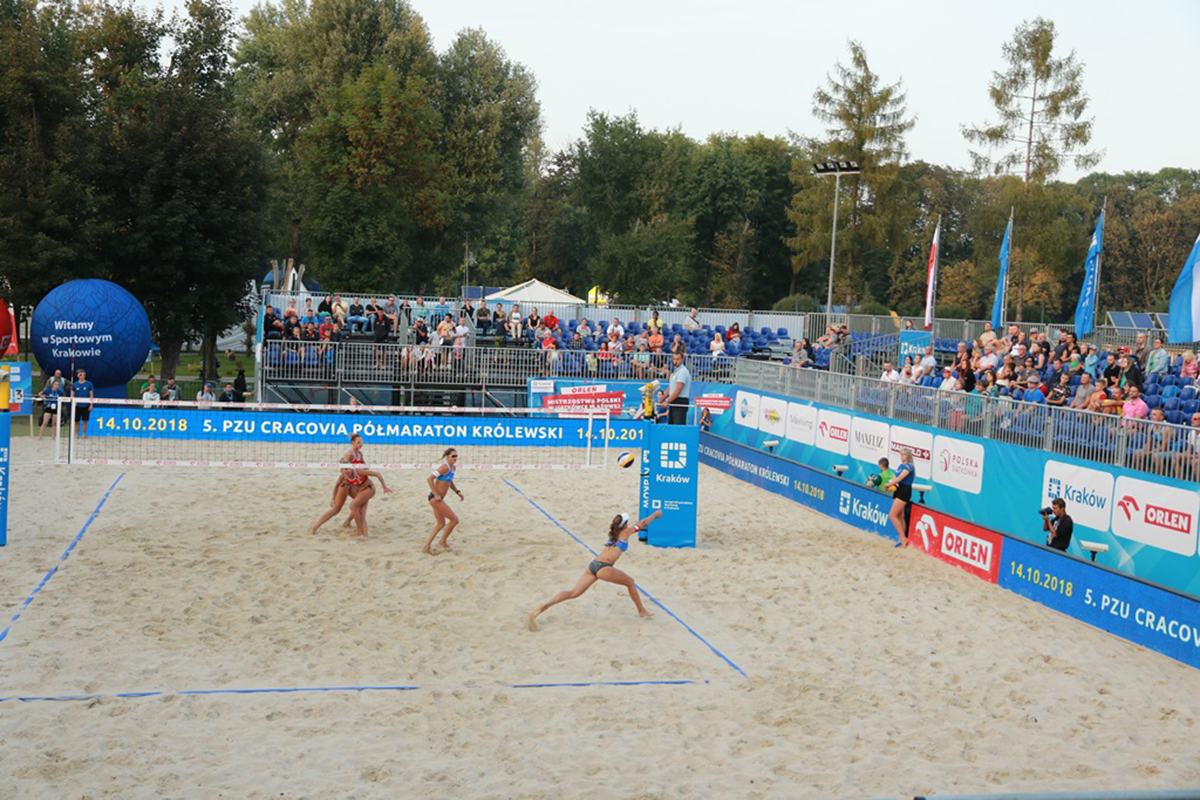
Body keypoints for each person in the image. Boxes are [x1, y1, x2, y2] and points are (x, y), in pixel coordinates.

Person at [526, 510, 662, 631]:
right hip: (604, 568)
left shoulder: (614, 535)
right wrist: (654, 515)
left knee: (574, 593)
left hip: (593, 565)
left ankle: (546, 605)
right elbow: (642, 523)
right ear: (625, 525)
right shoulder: (624, 533)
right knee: (630, 582)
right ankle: (642, 611)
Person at [424, 447, 464, 554]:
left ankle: (426, 547)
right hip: (435, 499)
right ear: (447, 457)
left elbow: (449, 481)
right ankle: (442, 541)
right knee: (454, 520)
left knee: (440, 524)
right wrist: (436, 494)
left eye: (456, 456)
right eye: (453, 456)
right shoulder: (444, 467)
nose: (455, 458)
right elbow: (429, 479)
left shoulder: (453, 468)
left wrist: (457, 492)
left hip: (439, 498)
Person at [882, 448, 915, 547]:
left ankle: (903, 538)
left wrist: (889, 484)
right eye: (901, 454)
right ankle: (902, 540)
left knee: (892, 515)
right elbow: (894, 478)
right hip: (899, 490)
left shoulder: (910, 466)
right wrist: (889, 486)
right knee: (900, 516)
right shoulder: (900, 466)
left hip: (904, 491)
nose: (902, 456)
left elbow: (900, 478)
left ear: (908, 456)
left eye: (904, 454)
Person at [664, 350, 691, 425]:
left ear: (682, 360)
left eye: (678, 359)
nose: (675, 361)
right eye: (674, 359)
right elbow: (671, 387)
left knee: (678, 426)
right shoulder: (675, 371)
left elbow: (679, 389)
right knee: (672, 425)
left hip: (680, 401)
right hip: (674, 401)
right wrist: (662, 399)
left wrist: (667, 401)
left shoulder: (683, 371)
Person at [71, 369, 95, 438]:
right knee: (76, 421)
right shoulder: (75, 384)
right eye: (80, 374)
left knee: (85, 421)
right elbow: (73, 395)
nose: (81, 376)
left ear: (85, 375)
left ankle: (84, 434)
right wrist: (73, 404)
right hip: (77, 405)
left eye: (83, 374)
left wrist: (91, 404)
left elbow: (91, 395)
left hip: (86, 405)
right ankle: (76, 434)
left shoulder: (89, 384)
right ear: (78, 375)